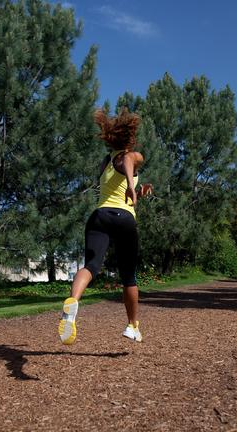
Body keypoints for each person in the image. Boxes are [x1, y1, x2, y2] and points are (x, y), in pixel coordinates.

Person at [58, 108, 153, 345]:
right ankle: (132, 326)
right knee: (128, 276)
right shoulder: (132, 156)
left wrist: (138, 192)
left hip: (99, 216)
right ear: (130, 138)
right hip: (123, 218)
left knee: (90, 265)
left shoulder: (105, 163)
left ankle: (72, 304)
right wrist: (132, 184)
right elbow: (129, 161)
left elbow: (118, 191)